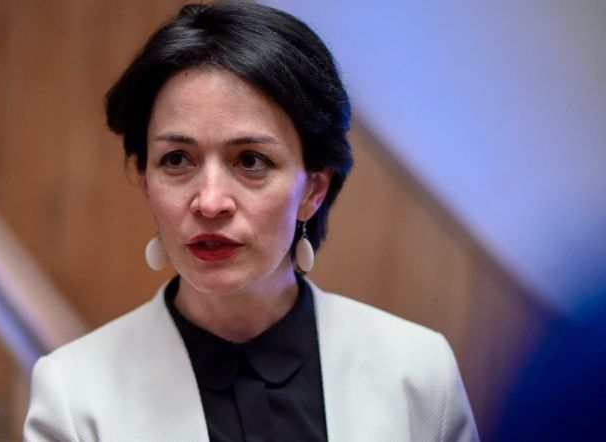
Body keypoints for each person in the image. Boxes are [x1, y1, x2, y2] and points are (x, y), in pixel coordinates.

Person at [24, 2, 478, 441]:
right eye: (177, 159)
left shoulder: (418, 373)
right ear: (145, 180)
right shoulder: (75, 395)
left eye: (251, 161)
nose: (210, 202)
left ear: (314, 190)